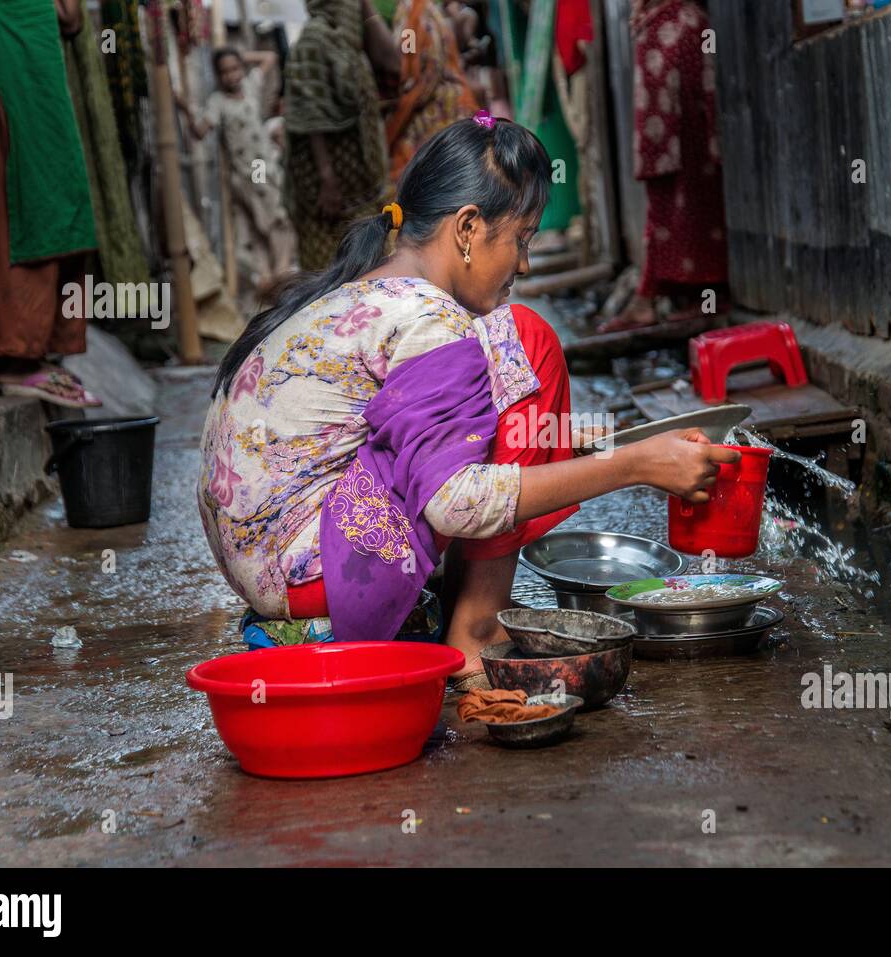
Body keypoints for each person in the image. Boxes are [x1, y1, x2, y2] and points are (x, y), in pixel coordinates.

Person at [198, 116, 736, 689]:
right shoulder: (430, 318)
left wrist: (554, 443)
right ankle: (475, 634)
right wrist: (635, 465)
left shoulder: (359, 292)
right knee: (525, 340)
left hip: (266, 564)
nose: (524, 264)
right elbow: (455, 505)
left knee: (497, 369)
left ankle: (452, 613)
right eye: (521, 240)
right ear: (468, 229)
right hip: (318, 570)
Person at [0, 0, 101, 406]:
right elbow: (71, 16)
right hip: (10, 64)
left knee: (46, 199)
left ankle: (33, 352)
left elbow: (69, 17)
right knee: (20, 204)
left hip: (27, 63)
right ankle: (16, 359)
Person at [598, 0, 729, 332]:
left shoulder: (677, 24)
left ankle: (691, 298)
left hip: (682, 141)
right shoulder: (670, 21)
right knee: (672, 212)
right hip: (675, 141)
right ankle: (656, 296)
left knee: (686, 210)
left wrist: (660, 149)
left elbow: (687, 97)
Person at [282, 0, 401, 271]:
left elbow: (391, 62)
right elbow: (311, 114)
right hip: (329, 191)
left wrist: (367, 8)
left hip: (361, 183)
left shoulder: (349, 45)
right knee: (332, 269)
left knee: (369, 265)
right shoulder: (314, 40)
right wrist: (327, 180)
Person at [179, 47, 297, 297]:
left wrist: (244, 56)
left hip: (265, 165)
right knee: (272, 218)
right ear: (218, 76)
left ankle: (275, 275)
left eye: (235, 69)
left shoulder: (251, 86)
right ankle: (279, 272)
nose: (231, 75)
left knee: (269, 219)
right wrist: (185, 109)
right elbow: (200, 132)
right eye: (224, 72)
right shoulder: (218, 102)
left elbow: (270, 57)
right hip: (248, 172)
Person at [385, 0, 478, 184]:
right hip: (457, 108)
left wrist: (392, 117)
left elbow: (411, 72)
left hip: (437, 113)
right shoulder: (426, 9)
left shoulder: (412, 14)